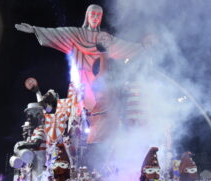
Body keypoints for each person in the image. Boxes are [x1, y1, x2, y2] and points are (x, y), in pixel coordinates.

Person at [15, 4, 147, 113]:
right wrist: (34, 29)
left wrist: (142, 47)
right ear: (87, 16)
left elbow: (122, 45)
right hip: (81, 77)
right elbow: (57, 33)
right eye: (92, 14)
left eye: (98, 15)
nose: (95, 18)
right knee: (78, 108)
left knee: (99, 106)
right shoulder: (77, 33)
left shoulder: (104, 38)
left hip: (97, 80)